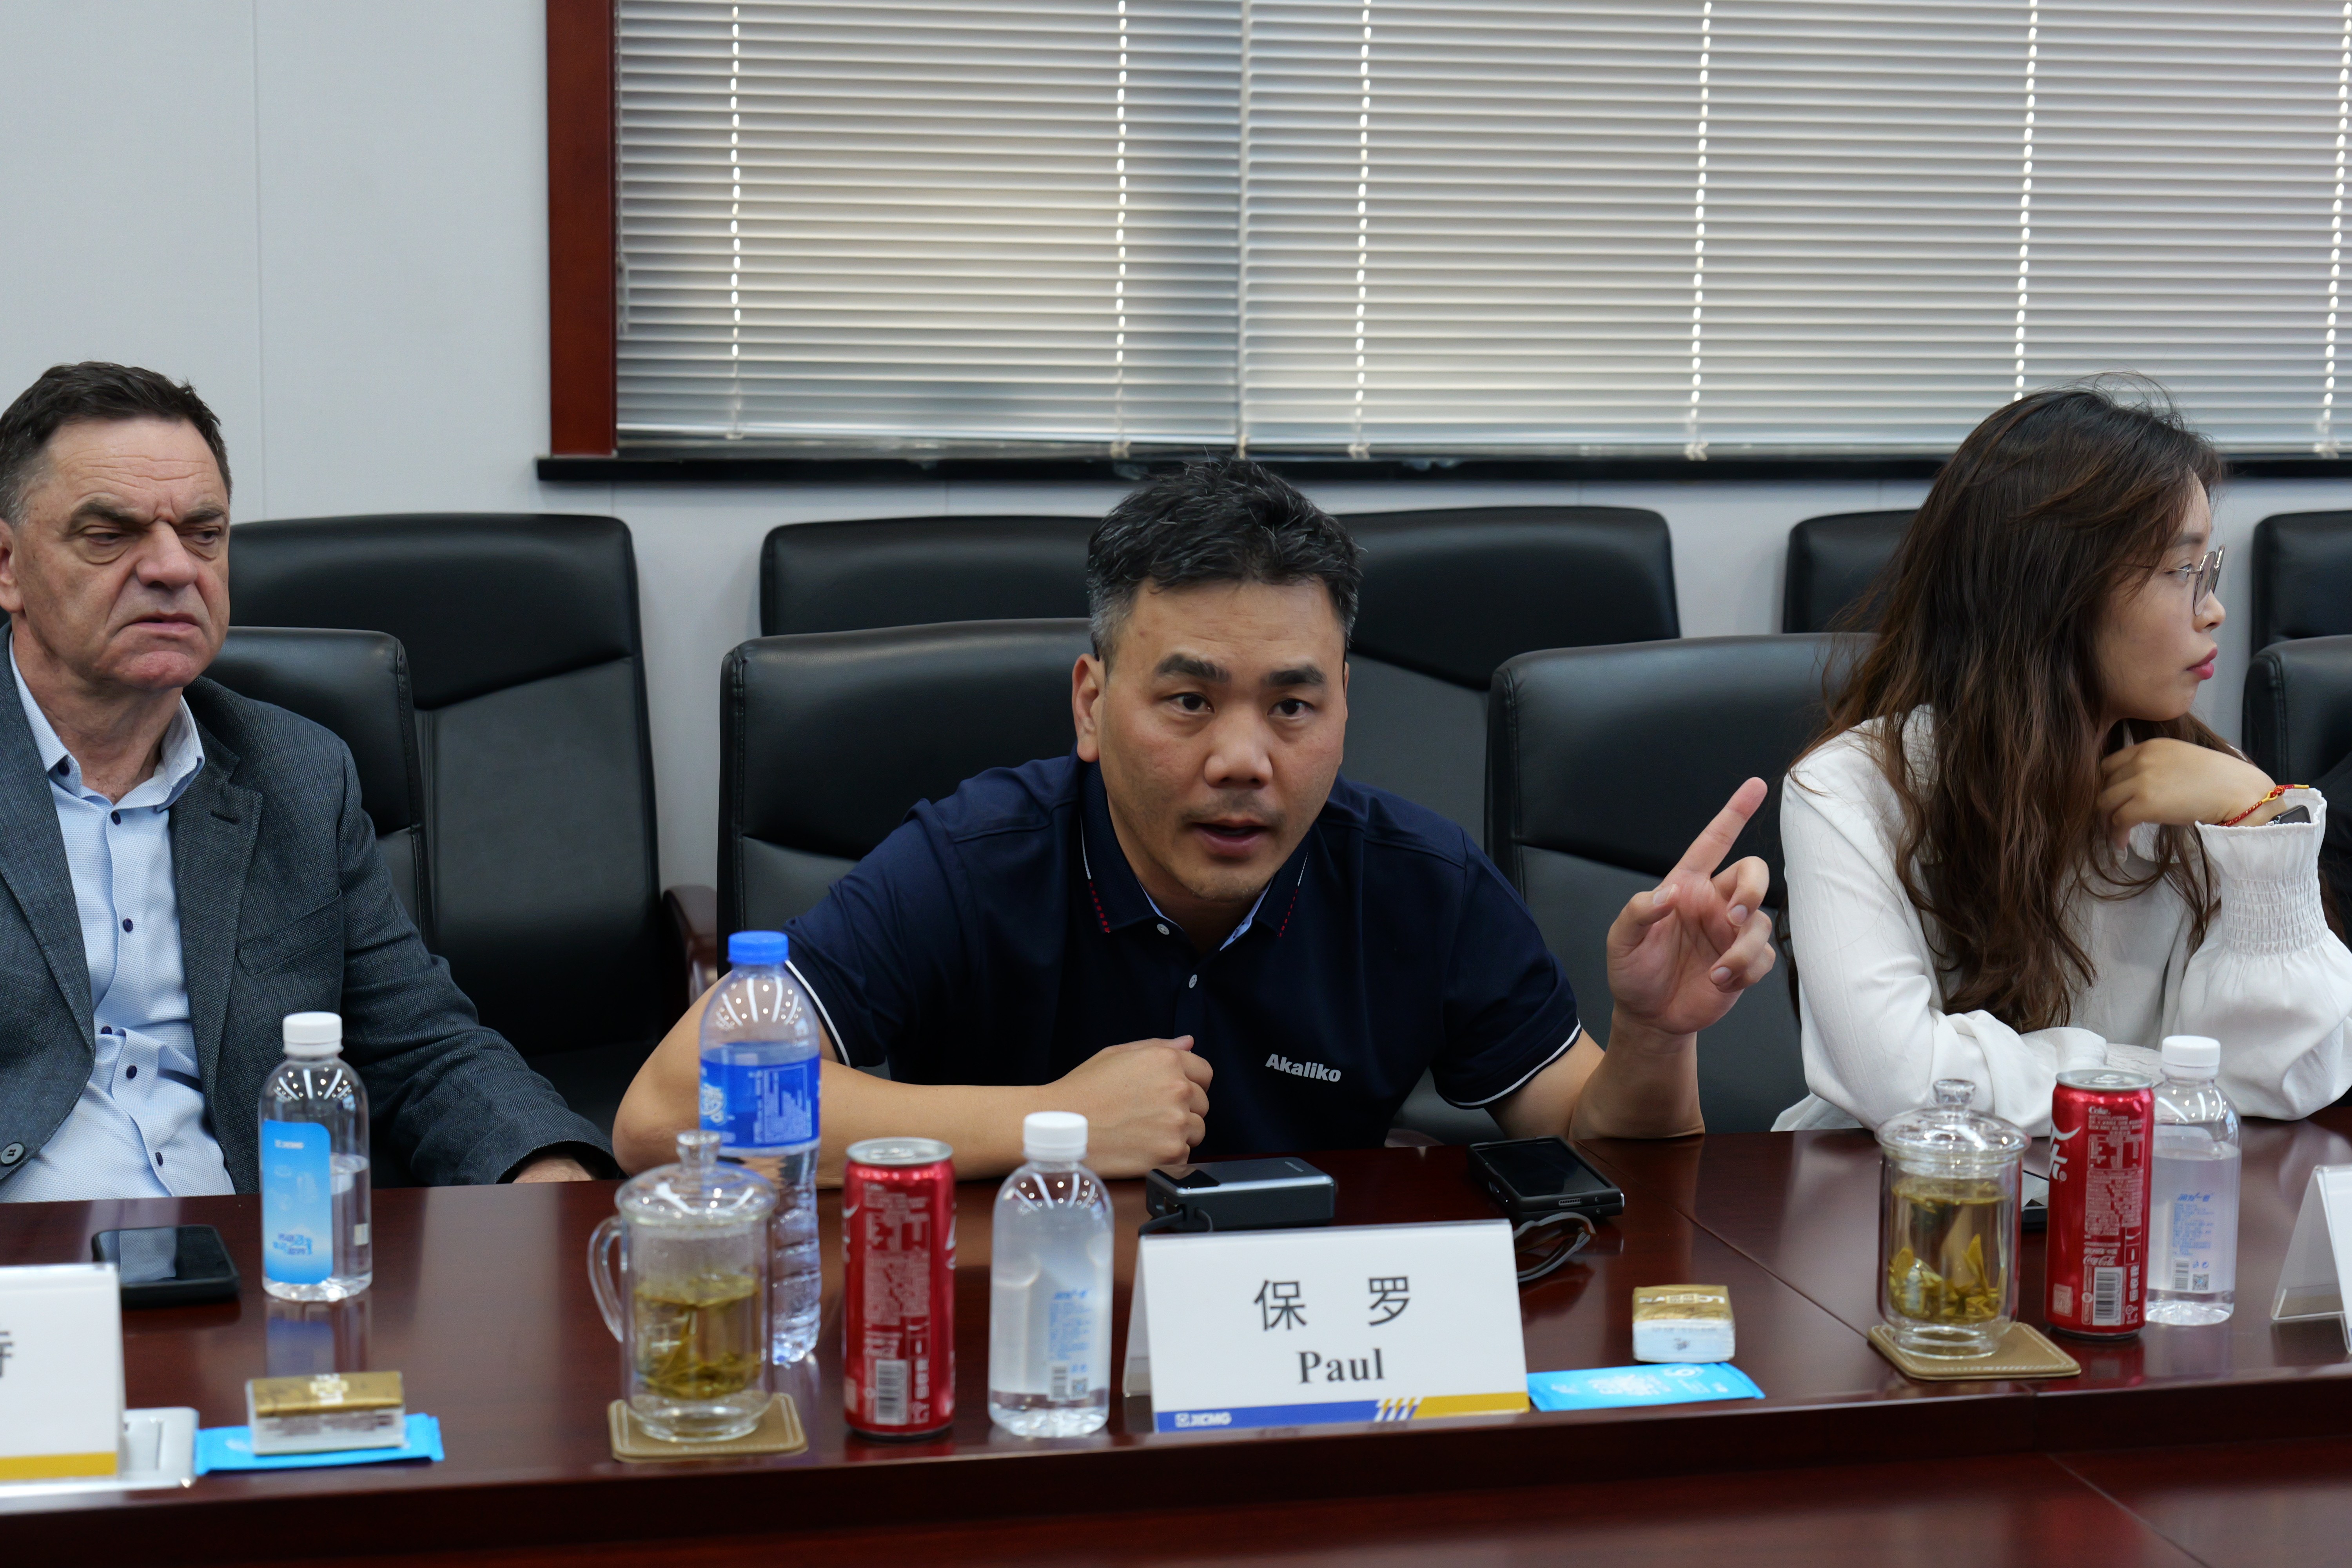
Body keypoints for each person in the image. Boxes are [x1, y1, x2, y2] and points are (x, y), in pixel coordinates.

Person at [616, 457, 1780, 1179]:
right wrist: (1048, 1123)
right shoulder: (974, 861)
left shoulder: (1420, 881)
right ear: (1091, 702)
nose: (1242, 760)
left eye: (1291, 706)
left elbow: (1602, 1144)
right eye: (1186, 700)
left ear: (1343, 712)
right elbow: (670, 1115)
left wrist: (1654, 1034)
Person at [0, 362, 615, 1200]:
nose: (174, 567)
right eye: (110, 535)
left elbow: (420, 1045)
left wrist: (548, 1175)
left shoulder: (296, 771)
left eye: (204, 532)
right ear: (8, 565)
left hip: (257, 1260)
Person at [1776, 382, 2352, 1136]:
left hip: (2122, 1207)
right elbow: (1906, 1086)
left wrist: (2261, 823)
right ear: (2056, 590)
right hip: (1889, 1211)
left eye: (2207, 573)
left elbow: (2288, 1077)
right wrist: (2162, 1075)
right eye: (2182, 572)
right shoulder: (1848, 790)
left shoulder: (2206, 785)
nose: (2213, 610)